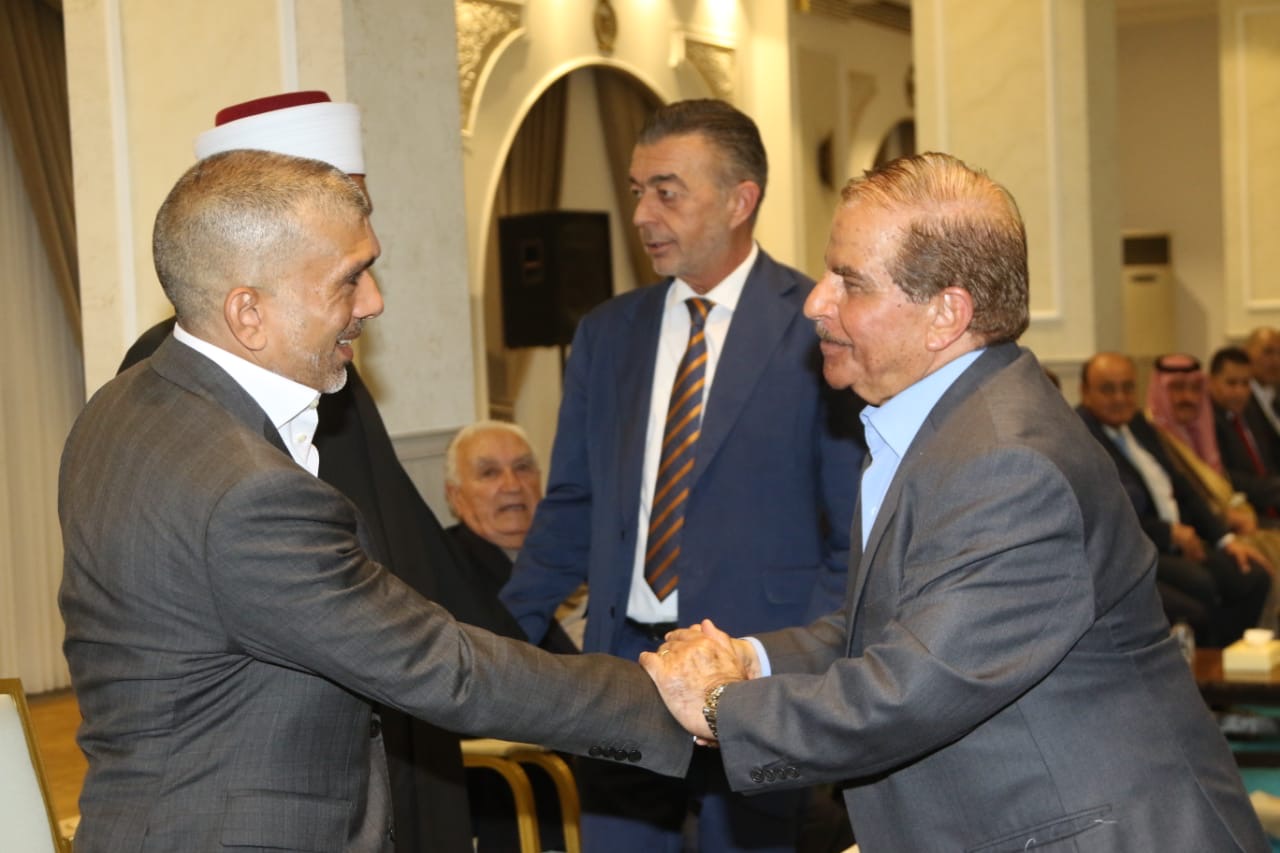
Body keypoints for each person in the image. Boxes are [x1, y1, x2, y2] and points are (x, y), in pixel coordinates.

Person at [59, 149, 694, 853]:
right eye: (349, 279)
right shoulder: (249, 493)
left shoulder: (118, 409)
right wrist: (664, 698)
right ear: (249, 312)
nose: (373, 302)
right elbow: (443, 668)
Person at [639, 151, 1268, 852]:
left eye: (850, 282)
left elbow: (906, 690)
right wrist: (748, 656)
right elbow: (890, 627)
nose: (816, 302)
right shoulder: (942, 421)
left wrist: (722, 704)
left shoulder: (1008, 460)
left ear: (946, 314)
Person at [116, 91, 524, 853]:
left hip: (388, 699)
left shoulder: (324, 364)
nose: (370, 292)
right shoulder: (171, 380)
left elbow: (405, 550)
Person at [500, 98, 863, 852]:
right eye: (638, 191)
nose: (642, 215)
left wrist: (802, 661)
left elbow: (849, 529)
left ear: (739, 200)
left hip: (750, 670)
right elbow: (571, 504)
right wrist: (499, 639)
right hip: (623, 665)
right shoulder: (607, 332)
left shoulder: (816, 326)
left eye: (667, 192)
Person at [1078, 351, 1272, 646]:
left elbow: (1183, 486)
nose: (1120, 398)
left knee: (1252, 577)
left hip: (1183, 539)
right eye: (1108, 389)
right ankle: (1204, 664)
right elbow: (1108, 514)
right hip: (1138, 549)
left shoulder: (1138, 424)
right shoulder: (1082, 437)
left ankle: (1224, 661)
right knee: (1202, 585)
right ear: (1085, 392)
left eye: (1127, 388)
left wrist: (1226, 540)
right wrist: (1170, 534)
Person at [1145, 351, 1280, 628]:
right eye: (1177, 389)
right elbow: (1183, 501)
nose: (1188, 398)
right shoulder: (1155, 436)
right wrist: (1224, 521)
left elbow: (1219, 485)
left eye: (1194, 389)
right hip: (1190, 535)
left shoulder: (1198, 429)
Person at [444, 420, 583, 652]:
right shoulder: (447, 568)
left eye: (522, 467)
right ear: (455, 496)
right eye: (489, 472)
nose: (512, 485)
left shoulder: (578, 543)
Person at [1211, 346, 1280, 515]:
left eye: (1245, 383)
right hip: (1246, 513)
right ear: (1211, 382)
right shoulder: (1208, 423)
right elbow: (1225, 477)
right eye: (1231, 383)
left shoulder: (1252, 412)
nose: (1240, 391)